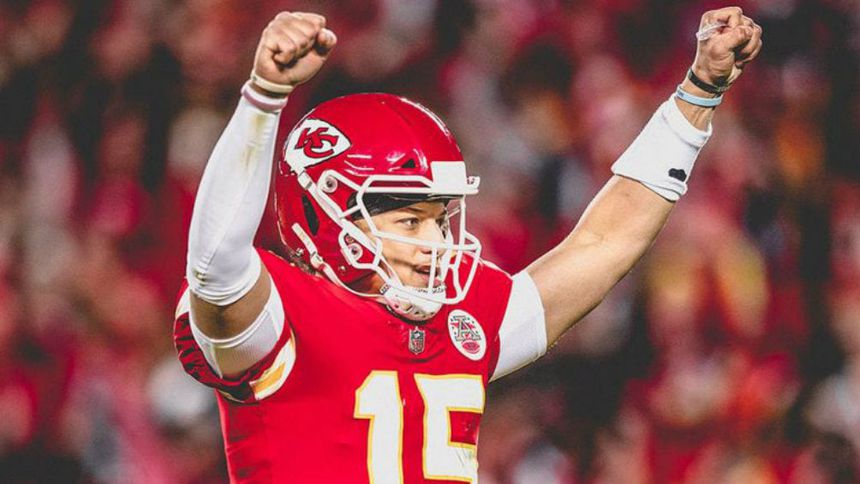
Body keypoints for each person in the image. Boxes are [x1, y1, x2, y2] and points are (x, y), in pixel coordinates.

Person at [173, 8, 763, 483]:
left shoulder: (462, 319)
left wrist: (697, 96)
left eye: (440, 220)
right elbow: (214, 266)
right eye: (410, 221)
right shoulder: (279, 319)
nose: (435, 243)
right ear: (323, 217)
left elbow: (604, 243)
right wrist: (263, 98)